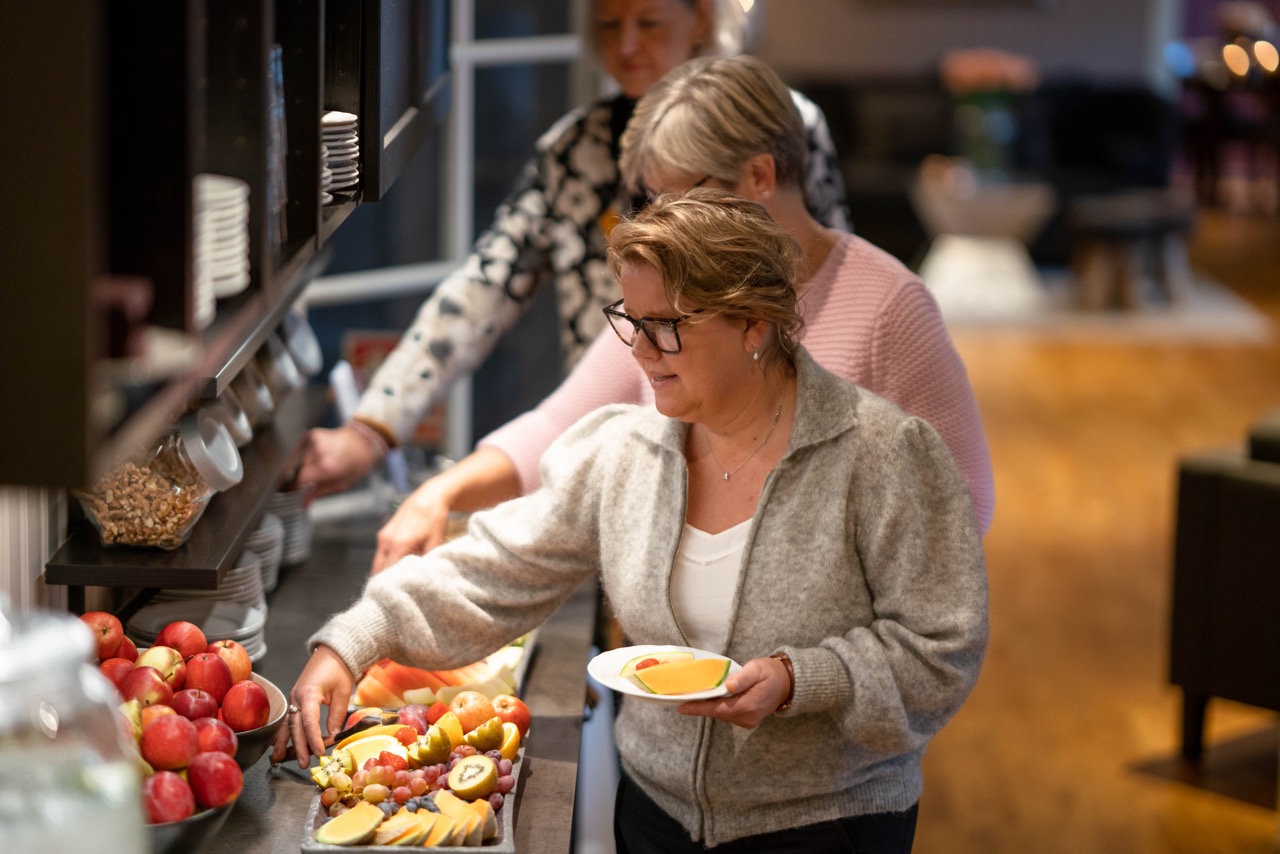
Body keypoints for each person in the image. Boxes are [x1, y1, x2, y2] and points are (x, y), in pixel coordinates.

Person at [276, 190, 988, 852]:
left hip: (831, 825)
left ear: (755, 324)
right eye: (631, 322)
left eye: (666, 328)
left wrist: (806, 678)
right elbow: (493, 569)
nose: (639, 352)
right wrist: (354, 640)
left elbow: (941, 647)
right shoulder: (623, 449)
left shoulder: (884, 456)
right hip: (653, 816)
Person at [367, 54, 994, 573]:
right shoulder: (673, 292)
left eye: (684, 196)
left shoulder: (890, 307)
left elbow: (960, 507)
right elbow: (558, 425)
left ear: (758, 175)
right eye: (654, 200)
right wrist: (441, 494)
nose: (666, 221)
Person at [295, 0, 850, 499]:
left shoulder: (785, 127)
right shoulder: (574, 151)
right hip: (619, 447)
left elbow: (829, 283)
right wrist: (373, 427)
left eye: (649, 23)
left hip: (763, 447)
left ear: (701, 18)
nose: (626, 45)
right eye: (608, 25)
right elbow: (481, 290)